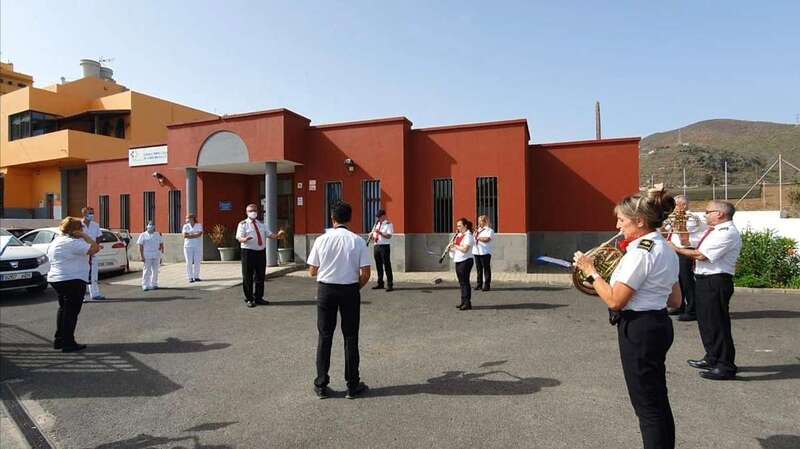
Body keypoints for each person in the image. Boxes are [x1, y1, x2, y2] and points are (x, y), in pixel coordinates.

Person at [575, 188, 681, 449]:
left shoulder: (641, 252)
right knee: (656, 400)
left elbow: (614, 300)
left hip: (640, 329)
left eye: (622, 220)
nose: (617, 225)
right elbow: (676, 301)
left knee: (646, 407)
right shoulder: (664, 247)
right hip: (658, 324)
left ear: (640, 221)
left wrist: (591, 271)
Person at [670, 201, 742, 381]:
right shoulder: (714, 231)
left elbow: (702, 255)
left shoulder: (727, 233)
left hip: (716, 281)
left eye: (708, 211)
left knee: (717, 324)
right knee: (706, 322)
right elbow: (691, 244)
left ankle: (725, 366)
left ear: (720, 214)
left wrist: (675, 249)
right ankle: (712, 357)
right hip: (704, 280)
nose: (705, 214)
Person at [307, 201, 371, 399]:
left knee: (325, 336)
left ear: (332, 218)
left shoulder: (321, 240)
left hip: (326, 289)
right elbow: (366, 273)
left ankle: (321, 384)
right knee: (351, 337)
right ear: (349, 219)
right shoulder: (358, 241)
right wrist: (354, 287)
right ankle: (352, 384)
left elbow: (312, 271)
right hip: (350, 289)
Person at [48, 217, 100, 352]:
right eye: (81, 228)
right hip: (73, 280)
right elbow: (95, 248)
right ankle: (68, 343)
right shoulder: (73, 243)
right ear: (75, 230)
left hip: (57, 279)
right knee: (71, 313)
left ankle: (59, 340)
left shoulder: (57, 240)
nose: (83, 229)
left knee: (63, 309)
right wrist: (84, 236)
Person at [662, 195, 705, 321]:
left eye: (675, 205)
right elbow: (666, 230)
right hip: (675, 250)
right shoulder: (673, 217)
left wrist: (676, 218)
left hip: (686, 250)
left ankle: (693, 310)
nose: (673, 208)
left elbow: (684, 232)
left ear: (684, 206)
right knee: (677, 280)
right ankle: (680, 305)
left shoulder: (692, 218)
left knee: (687, 281)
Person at [236, 204, 285, 308]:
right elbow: (239, 237)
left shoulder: (262, 224)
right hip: (248, 252)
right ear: (247, 212)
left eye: (254, 210)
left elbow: (270, 235)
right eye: (250, 210)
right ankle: (249, 298)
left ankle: (258, 297)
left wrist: (278, 235)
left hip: (260, 252)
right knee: (248, 276)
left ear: (257, 211)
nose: (253, 212)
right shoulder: (243, 224)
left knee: (260, 276)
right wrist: (244, 239)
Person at [450, 218, 475, 310]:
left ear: (465, 226)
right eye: (457, 226)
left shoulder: (468, 236)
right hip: (459, 260)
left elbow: (465, 249)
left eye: (460, 226)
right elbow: (457, 249)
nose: (458, 228)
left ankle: (467, 303)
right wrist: (450, 248)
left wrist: (455, 246)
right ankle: (463, 301)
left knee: (465, 282)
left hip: (466, 260)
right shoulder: (459, 235)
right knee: (461, 283)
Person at [81, 206, 104, 301]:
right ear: (84, 214)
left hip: (93, 252)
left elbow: (99, 236)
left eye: (92, 213)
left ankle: (95, 294)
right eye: (90, 213)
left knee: (94, 274)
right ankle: (80, 296)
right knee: (82, 275)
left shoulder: (95, 225)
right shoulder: (79, 225)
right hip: (82, 253)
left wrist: (96, 246)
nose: (92, 215)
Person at [370, 209, 394, 292]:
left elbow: (389, 236)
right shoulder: (376, 224)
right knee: (378, 265)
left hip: (384, 246)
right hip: (376, 246)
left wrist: (379, 232)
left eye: (379, 217)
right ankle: (380, 283)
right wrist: (372, 236)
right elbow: (374, 234)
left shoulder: (388, 224)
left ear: (383, 216)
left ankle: (390, 284)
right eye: (377, 217)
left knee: (387, 265)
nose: (378, 218)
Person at [137, 221, 164, 291]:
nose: (151, 226)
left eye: (152, 225)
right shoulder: (143, 235)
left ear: (154, 226)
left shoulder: (157, 234)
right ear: (147, 226)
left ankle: (154, 284)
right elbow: (140, 246)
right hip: (147, 255)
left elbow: (161, 244)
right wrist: (141, 256)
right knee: (147, 270)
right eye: (149, 224)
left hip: (156, 255)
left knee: (155, 270)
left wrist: (161, 255)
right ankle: (145, 284)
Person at [473, 215, 495, 291]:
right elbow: (473, 239)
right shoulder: (477, 230)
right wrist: (475, 235)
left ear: (485, 222)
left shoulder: (489, 230)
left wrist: (478, 238)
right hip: (476, 252)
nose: (479, 223)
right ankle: (479, 284)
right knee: (478, 269)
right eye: (478, 221)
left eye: (480, 221)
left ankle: (487, 285)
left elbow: (487, 239)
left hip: (485, 252)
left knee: (486, 269)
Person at [182, 214, 203, 283]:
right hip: (188, 246)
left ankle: (196, 276)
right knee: (189, 262)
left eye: (188, 218)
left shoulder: (198, 225)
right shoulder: (185, 226)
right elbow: (185, 235)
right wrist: (194, 234)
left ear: (193, 218)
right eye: (187, 218)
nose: (187, 220)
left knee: (197, 261)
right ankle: (190, 277)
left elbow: (199, 234)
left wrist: (190, 234)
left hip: (197, 246)